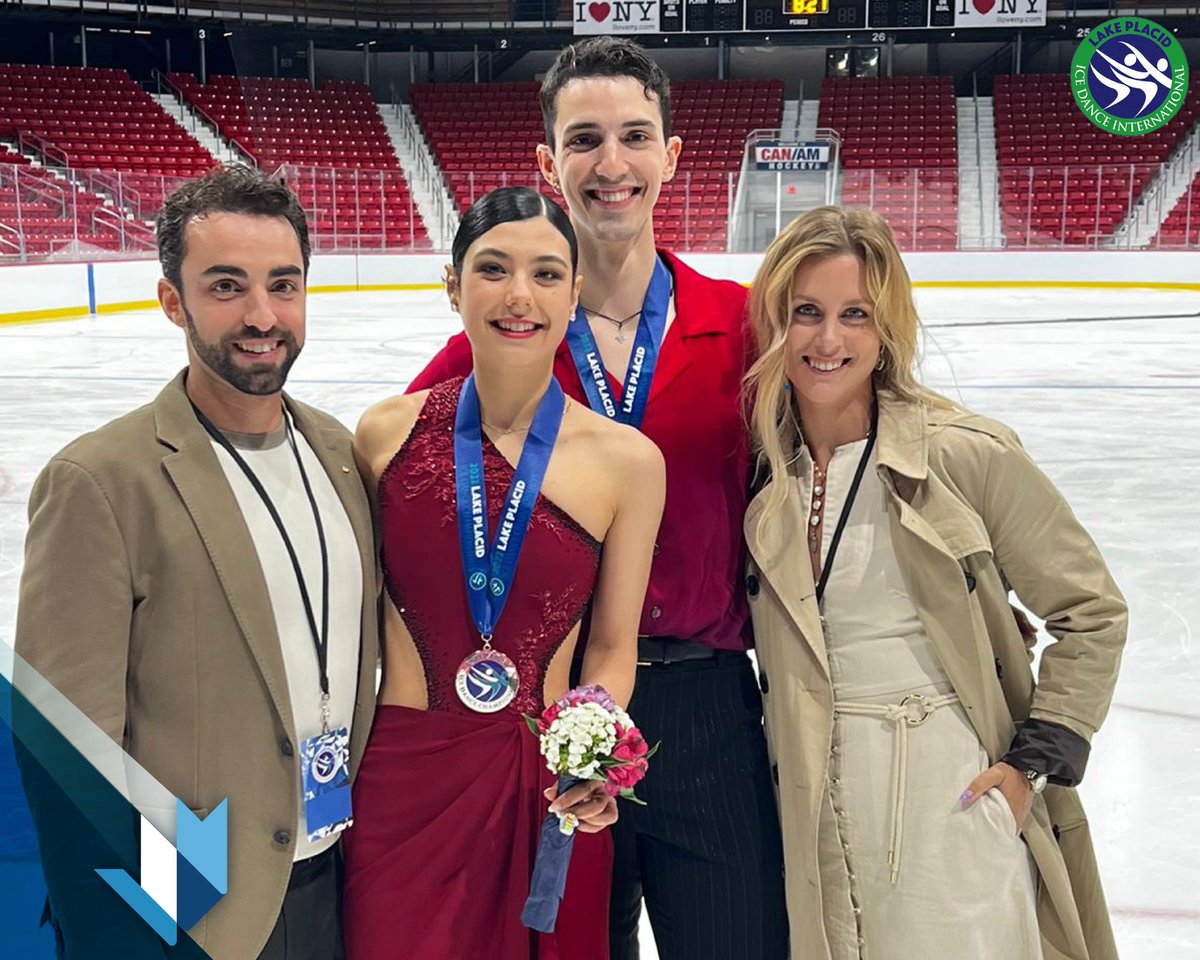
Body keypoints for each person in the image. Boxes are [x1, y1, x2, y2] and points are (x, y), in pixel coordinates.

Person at [407, 38, 789, 960]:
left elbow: (834, 470)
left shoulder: (743, 326)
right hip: (552, 712)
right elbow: (396, 478)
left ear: (671, 155)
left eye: (633, 137)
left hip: (710, 708)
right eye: (584, 140)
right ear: (548, 163)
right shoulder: (503, 335)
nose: (610, 165)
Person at [742, 205, 1126, 960]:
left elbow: (1091, 611)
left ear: (886, 330)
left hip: (943, 797)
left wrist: (1029, 765)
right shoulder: (763, 476)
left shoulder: (962, 455)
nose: (828, 340)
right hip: (813, 792)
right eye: (807, 313)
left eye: (856, 315)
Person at [14, 165, 379, 959]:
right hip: (195, 915)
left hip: (334, 889)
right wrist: (154, 919)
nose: (261, 315)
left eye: (284, 285)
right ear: (172, 301)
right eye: (226, 286)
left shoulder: (342, 455)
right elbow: (65, 748)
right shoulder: (103, 483)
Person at [342, 186, 665, 960]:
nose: (520, 296)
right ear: (452, 285)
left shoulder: (629, 463)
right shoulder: (383, 434)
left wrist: (591, 760)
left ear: (575, 291)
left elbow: (613, 647)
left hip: (549, 789)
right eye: (493, 269)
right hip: (402, 783)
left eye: (548, 274)